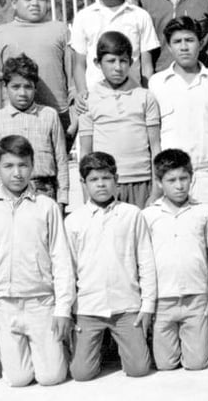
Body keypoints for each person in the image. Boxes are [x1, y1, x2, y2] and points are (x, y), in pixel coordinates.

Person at [0, 135, 73, 387]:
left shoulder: (46, 207)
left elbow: (61, 259)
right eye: (9, 166)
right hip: (3, 305)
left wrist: (63, 309)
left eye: (23, 165)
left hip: (41, 302)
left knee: (51, 378)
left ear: (32, 165)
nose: (17, 173)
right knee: (18, 379)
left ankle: (57, 350)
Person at [66, 152, 154, 380]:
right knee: (81, 373)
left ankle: (123, 344)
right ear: (83, 183)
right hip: (89, 308)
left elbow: (145, 261)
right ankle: (99, 347)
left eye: (106, 178)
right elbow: (69, 269)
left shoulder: (131, 214)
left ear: (116, 179)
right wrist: (69, 309)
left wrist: (147, 305)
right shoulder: (74, 220)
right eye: (94, 180)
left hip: (125, 305)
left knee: (139, 369)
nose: (101, 184)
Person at [143, 149, 208, 371]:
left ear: (191, 178)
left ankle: (199, 338)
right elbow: (143, 262)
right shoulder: (149, 215)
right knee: (165, 365)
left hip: (195, 298)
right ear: (159, 182)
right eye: (171, 180)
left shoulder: (204, 212)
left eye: (183, 178)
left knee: (196, 363)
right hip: (162, 300)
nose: (179, 185)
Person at [148, 16, 208, 219]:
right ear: (169, 47)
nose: (184, 47)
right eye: (177, 42)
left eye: (189, 40)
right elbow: (154, 139)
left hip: (207, 175)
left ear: (200, 43)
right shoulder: (157, 83)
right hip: (171, 175)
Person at [78, 31, 161, 209]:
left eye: (123, 61)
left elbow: (155, 147)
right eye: (111, 61)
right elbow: (85, 152)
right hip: (106, 183)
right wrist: (87, 194)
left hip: (142, 182)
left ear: (131, 62)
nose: (118, 67)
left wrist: (155, 191)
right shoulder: (89, 100)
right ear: (97, 63)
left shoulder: (145, 97)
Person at [0, 0, 74, 139]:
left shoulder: (59, 29)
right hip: (14, 115)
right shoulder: (1, 33)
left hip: (57, 113)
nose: (35, 3)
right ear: (14, 3)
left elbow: (71, 77)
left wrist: (74, 116)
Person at [72, 0, 159, 112]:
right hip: (96, 102)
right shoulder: (83, 17)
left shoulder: (139, 16)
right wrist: (82, 93)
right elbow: (79, 64)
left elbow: (147, 66)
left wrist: (146, 97)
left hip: (132, 101)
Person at [0, 55, 68, 206]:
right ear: (5, 87)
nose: (22, 93)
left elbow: (61, 159)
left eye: (28, 86)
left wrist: (62, 199)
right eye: (16, 87)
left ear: (35, 87)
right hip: (6, 192)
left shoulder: (49, 115)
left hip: (43, 189)